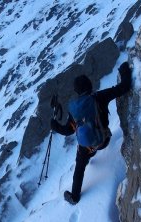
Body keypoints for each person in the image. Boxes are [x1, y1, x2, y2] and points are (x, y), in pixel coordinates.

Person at [50, 62, 132, 204]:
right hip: (104, 140)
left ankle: (74, 196)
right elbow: (123, 87)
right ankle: (92, 149)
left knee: (80, 166)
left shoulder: (74, 110)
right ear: (89, 86)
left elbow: (67, 131)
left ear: (77, 91)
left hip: (88, 148)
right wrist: (124, 70)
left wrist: (54, 125)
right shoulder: (100, 97)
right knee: (94, 138)